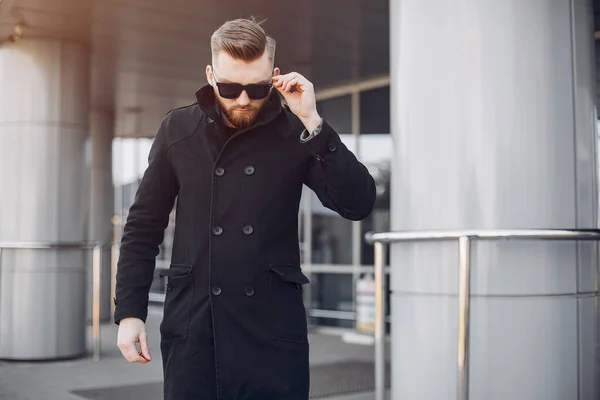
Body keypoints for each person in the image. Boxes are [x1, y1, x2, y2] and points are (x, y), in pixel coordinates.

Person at [113, 17, 376, 400]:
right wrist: (130, 311)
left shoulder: (295, 131)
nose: (242, 99)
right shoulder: (179, 129)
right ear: (210, 74)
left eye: (255, 88)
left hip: (271, 331)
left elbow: (358, 203)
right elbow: (142, 227)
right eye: (230, 86)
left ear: (274, 76)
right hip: (197, 327)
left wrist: (313, 122)